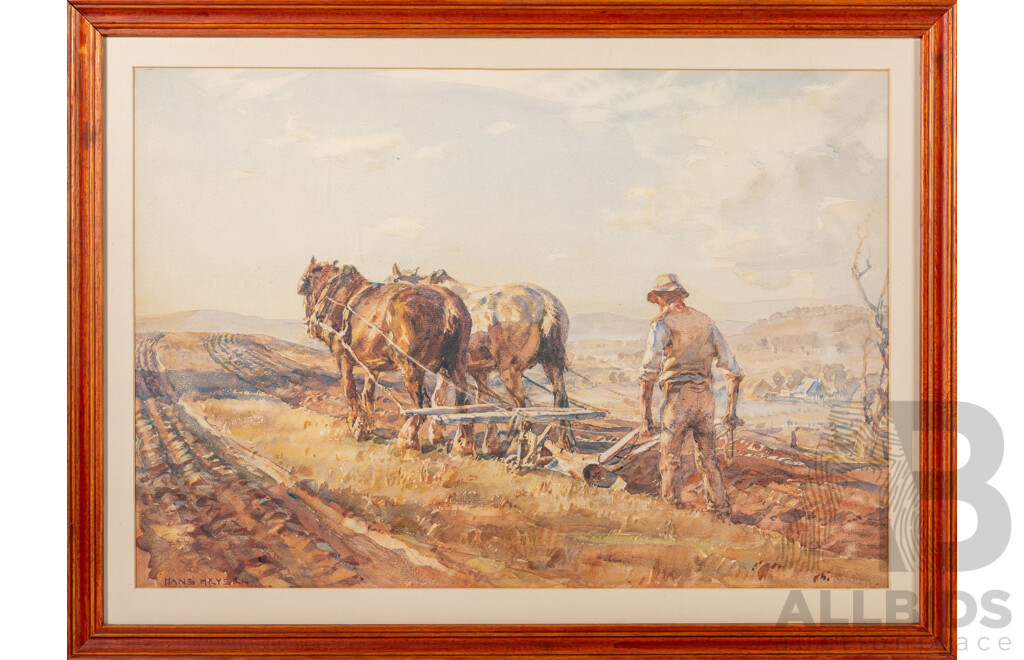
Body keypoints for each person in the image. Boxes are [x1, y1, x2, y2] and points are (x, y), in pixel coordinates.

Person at [638, 274, 743, 521]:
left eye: (657, 300)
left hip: (678, 397)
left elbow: (648, 373)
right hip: (705, 397)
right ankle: (719, 510)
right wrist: (730, 411)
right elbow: (733, 371)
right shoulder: (706, 323)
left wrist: (645, 417)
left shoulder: (661, 324)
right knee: (708, 458)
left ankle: (671, 510)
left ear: (661, 298)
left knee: (670, 457)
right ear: (680, 296)